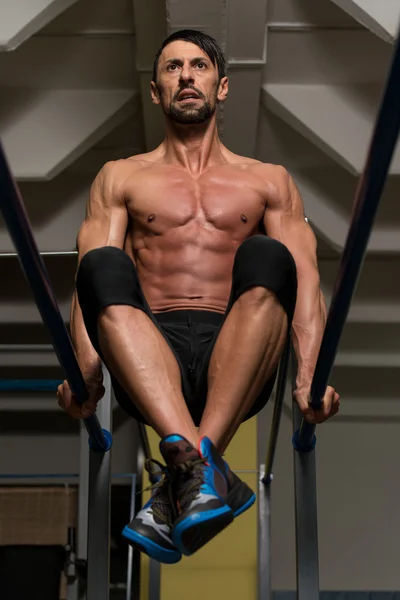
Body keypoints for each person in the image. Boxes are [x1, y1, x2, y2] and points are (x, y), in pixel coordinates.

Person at [57, 29, 340, 563]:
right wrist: (87, 378)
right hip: (148, 353)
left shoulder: (268, 180)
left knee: (270, 257)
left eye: (198, 66)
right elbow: (89, 283)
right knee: (102, 263)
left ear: (223, 85)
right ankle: (203, 470)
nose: (186, 75)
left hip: (237, 353)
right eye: (172, 68)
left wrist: (309, 380)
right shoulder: (120, 177)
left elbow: (304, 278)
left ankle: (184, 471)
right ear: (156, 91)